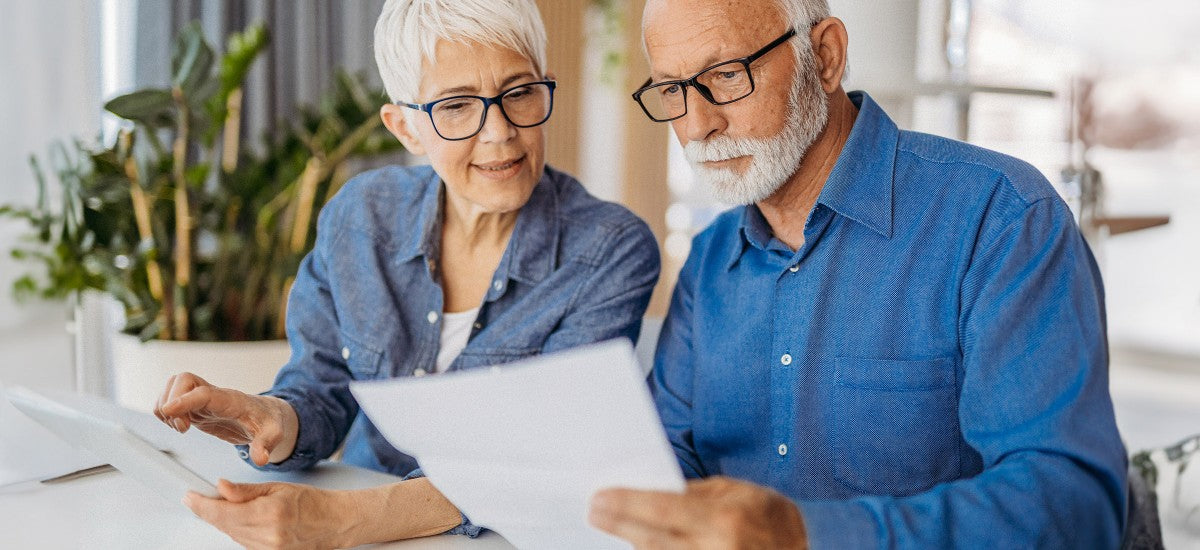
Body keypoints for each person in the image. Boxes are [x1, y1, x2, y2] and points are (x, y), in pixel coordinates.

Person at [588, 0, 1128, 548]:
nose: (697, 125)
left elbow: (1072, 507)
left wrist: (803, 536)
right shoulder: (710, 261)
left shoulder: (1001, 221)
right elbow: (664, 461)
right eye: (672, 90)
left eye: (726, 76)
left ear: (824, 57)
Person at [154, 0, 660, 547]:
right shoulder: (360, 218)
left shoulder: (611, 249)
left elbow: (537, 458)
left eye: (518, 93)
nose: (499, 132)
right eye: (457, 107)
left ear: (546, 89)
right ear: (406, 128)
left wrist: (343, 520)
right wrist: (268, 419)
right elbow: (321, 387)